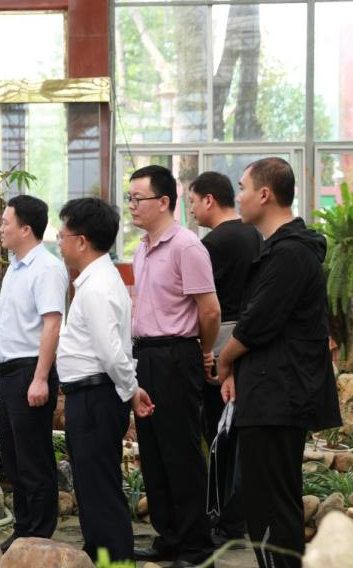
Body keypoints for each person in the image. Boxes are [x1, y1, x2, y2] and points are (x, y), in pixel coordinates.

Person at [217, 158, 340, 568]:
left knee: (270, 506)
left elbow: (257, 324)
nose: (239, 197)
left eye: (243, 188)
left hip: (279, 397)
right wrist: (235, 371)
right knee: (267, 502)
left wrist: (224, 361)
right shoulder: (281, 250)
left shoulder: (290, 253)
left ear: (265, 194)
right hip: (269, 392)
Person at [128, 165, 220, 567]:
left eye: (138, 198)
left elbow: (210, 310)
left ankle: (196, 548)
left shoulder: (187, 246)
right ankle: (169, 538)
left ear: (164, 201)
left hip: (177, 355)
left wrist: (204, 351)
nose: (131, 205)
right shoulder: (141, 248)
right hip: (146, 355)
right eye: (129, 198)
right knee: (152, 452)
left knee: (181, 453)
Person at [55, 197, 154, 563]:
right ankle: (99, 553)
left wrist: (131, 391)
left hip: (95, 396)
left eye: (62, 234)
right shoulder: (95, 280)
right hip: (91, 394)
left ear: (81, 241)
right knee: (91, 484)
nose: (59, 240)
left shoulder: (97, 286)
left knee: (99, 486)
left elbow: (112, 353)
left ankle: (114, 557)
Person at [187, 171, 262, 546]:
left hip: (219, 344)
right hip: (250, 342)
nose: (191, 210)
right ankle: (240, 516)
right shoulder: (256, 234)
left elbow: (206, 306)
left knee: (219, 432)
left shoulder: (211, 244)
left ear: (209, 200)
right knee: (240, 432)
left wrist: (205, 349)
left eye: (192, 202)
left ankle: (225, 517)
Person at [0, 194, 69, 551]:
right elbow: (13, 323)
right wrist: (2, 370)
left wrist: (40, 377)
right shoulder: (15, 266)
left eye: (5, 222)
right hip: (11, 373)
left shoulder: (46, 268)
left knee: (33, 459)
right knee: (13, 459)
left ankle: (38, 534)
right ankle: (23, 528)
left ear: (25, 229)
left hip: (30, 372)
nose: (0, 228)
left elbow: (52, 325)